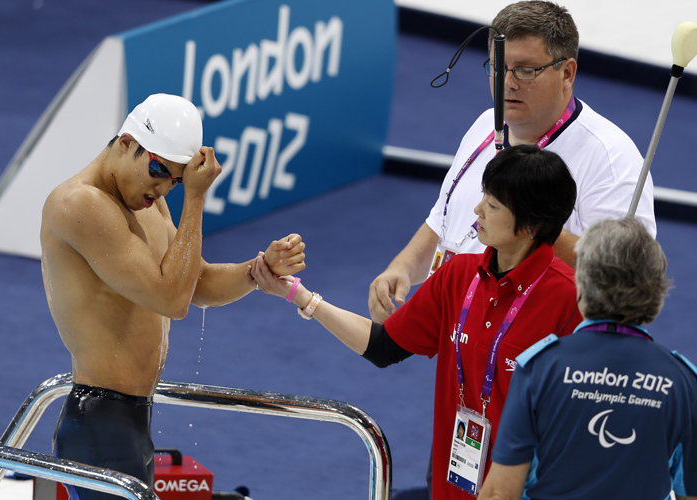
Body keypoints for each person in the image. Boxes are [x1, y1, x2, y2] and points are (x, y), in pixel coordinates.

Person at [251, 145, 584, 499]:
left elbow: (578, 420)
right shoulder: (458, 275)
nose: (477, 210)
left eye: (493, 205)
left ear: (531, 224)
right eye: (484, 196)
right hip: (451, 482)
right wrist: (299, 296)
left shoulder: (570, 299)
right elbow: (384, 346)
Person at [40, 93, 306, 499]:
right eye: (159, 172)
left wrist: (256, 271)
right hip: (98, 424)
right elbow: (171, 300)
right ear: (127, 143)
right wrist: (196, 198)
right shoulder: (80, 204)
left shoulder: (146, 202)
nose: (163, 189)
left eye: (177, 181)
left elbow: (194, 283)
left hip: (132, 420)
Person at [368, 0, 656, 325]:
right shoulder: (485, 124)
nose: (508, 82)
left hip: (545, 350)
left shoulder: (611, 159)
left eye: (526, 70)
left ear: (567, 72)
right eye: (498, 66)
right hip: (467, 336)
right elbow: (445, 218)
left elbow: (625, 275)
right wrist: (403, 267)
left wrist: (530, 222)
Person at [478, 217, 697, 500]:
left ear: (582, 281)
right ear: (656, 290)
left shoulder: (539, 368)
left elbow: (499, 493)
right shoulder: (684, 382)